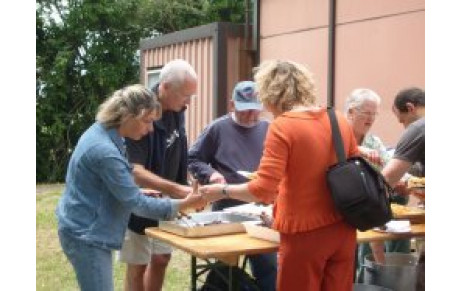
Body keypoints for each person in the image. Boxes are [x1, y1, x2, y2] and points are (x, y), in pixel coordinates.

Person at [199, 60, 361, 291]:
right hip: (343, 230)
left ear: (269, 92)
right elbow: (355, 163)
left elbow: (262, 190)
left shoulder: (283, 126)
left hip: (304, 233)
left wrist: (222, 191)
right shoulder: (337, 119)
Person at [56, 84, 204, 291]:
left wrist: (136, 190)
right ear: (128, 115)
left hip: (82, 227)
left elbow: (102, 182)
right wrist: (182, 204)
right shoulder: (104, 150)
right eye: (147, 121)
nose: (151, 129)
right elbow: (135, 204)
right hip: (87, 235)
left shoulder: (105, 132)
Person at [188, 81, 277, 291]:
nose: (250, 116)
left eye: (255, 111)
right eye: (245, 111)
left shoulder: (268, 129)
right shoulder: (218, 128)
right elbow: (193, 159)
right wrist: (211, 174)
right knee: (225, 270)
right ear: (232, 105)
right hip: (226, 207)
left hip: (260, 209)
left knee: (269, 265)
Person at [118, 59, 198, 291]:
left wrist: (186, 183)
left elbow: (177, 147)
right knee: (138, 265)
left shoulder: (176, 108)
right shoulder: (141, 115)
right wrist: (176, 190)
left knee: (162, 259)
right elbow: (134, 171)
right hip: (141, 202)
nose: (189, 103)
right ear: (164, 87)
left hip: (167, 202)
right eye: (185, 96)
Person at [344, 88, 411, 282]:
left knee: (392, 230)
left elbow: (390, 163)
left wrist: (405, 180)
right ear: (350, 112)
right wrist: (356, 150)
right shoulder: (337, 137)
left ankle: (374, 280)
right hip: (343, 208)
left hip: (368, 207)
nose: (371, 118)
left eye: (374, 114)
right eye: (366, 113)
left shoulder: (373, 141)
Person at [371, 87, 425, 290]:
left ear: (410, 108)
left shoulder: (419, 128)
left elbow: (387, 179)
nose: (403, 127)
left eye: (401, 120)